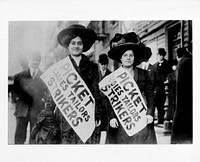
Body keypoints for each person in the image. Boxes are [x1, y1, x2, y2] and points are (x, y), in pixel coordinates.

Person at [33, 24, 102, 144]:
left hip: (86, 117)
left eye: (79, 43)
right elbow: (52, 95)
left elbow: (97, 93)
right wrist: (49, 115)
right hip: (65, 117)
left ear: (83, 46)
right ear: (68, 46)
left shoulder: (93, 67)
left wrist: (98, 114)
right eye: (73, 43)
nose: (76, 46)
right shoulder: (59, 68)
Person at [106, 32, 157, 144]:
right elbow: (109, 100)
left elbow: (150, 96)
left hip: (140, 118)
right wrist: (111, 117)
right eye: (125, 55)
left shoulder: (144, 74)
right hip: (121, 120)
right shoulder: (113, 77)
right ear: (120, 58)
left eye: (131, 55)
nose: (128, 58)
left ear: (135, 58)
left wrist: (149, 113)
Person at [12, 51, 47, 144]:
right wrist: (17, 99)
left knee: (34, 137)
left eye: (37, 60)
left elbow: (48, 92)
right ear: (29, 60)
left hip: (37, 111)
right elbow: (14, 91)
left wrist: (43, 100)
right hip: (22, 111)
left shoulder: (45, 76)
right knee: (19, 137)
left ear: (40, 61)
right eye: (33, 60)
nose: (35, 62)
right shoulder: (19, 76)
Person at [171, 47, 192, 144]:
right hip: (187, 95)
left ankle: (177, 139)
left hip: (180, 94)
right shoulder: (188, 62)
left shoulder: (181, 63)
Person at [151, 48, 172, 125]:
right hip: (155, 88)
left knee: (161, 105)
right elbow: (152, 78)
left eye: (162, 55)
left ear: (164, 55)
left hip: (163, 87)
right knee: (153, 105)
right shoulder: (154, 66)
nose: (160, 56)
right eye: (159, 55)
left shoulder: (167, 65)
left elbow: (171, 75)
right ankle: (151, 120)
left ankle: (160, 120)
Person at [97, 53, 112, 144]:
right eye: (102, 64)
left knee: (107, 127)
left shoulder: (111, 75)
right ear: (99, 64)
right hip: (98, 105)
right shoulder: (95, 75)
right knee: (98, 127)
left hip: (107, 104)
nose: (104, 66)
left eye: (105, 64)